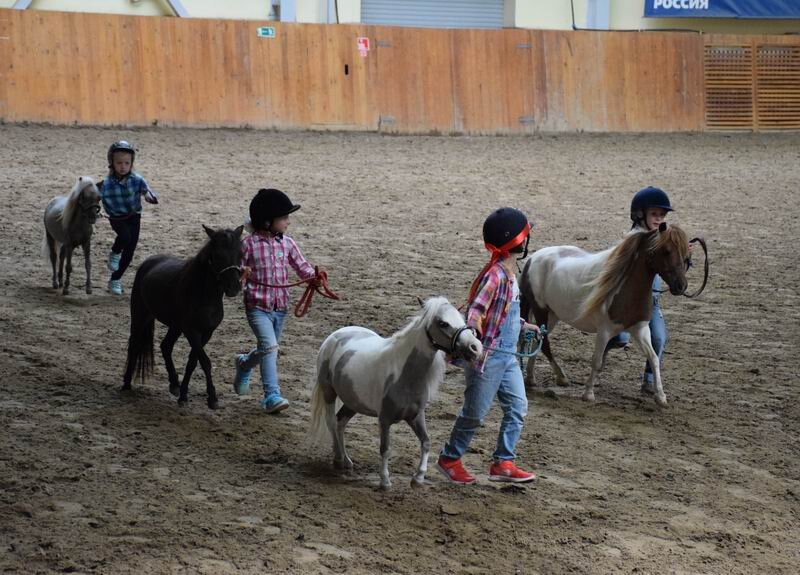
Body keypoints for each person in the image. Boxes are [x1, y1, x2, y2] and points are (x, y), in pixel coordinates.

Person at [437, 207, 539, 485]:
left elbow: (500, 309)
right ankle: (449, 458)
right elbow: (477, 310)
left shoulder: (509, 273)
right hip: (490, 358)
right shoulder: (495, 275)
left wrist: (519, 323)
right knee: (474, 413)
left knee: (518, 407)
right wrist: (473, 335)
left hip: (508, 357)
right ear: (516, 242)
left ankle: (504, 462)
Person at [233, 188, 319, 414]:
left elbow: (302, 266)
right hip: (257, 307)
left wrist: (313, 277)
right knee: (270, 347)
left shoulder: (287, 243)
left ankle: (244, 363)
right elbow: (236, 270)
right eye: (284, 218)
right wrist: (241, 272)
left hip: (280, 308)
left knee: (266, 349)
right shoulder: (248, 245)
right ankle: (271, 395)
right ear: (267, 221)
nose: (288, 222)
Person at [605, 186, 675, 394]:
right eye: (654, 214)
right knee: (620, 337)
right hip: (626, 302)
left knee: (659, 338)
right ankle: (603, 350)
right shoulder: (632, 240)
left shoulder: (663, 239)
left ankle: (650, 379)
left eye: (662, 215)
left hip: (649, 302)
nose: (659, 219)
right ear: (639, 214)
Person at [100, 140, 158, 295]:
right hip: (117, 218)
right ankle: (115, 252)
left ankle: (115, 279)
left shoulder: (137, 179)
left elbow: (146, 191)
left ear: (132, 163)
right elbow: (93, 197)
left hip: (134, 216)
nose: (123, 166)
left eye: (127, 163)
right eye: (119, 163)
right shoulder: (105, 184)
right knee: (124, 237)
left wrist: (149, 197)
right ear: (111, 163)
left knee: (130, 252)